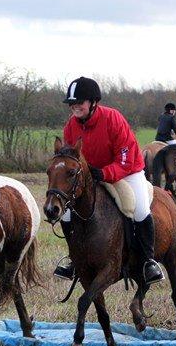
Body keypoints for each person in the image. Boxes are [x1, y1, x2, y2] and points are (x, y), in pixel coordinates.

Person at [53, 76, 164, 286]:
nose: (75, 107)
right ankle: (73, 259)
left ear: (93, 102)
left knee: (138, 209)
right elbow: (70, 158)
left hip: (126, 171)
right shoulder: (70, 127)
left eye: (80, 102)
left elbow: (124, 159)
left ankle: (148, 261)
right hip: (90, 176)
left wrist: (104, 174)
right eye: (72, 104)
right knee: (67, 212)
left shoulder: (113, 118)